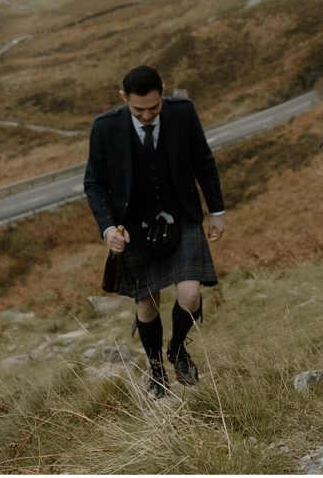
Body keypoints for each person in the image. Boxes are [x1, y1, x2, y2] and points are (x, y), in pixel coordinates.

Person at [83, 65, 226, 397]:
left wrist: (216, 211)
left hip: (182, 216)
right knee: (146, 304)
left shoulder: (183, 113)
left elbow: (203, 161)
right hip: (132, 227)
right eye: (138, 110)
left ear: (162, 91)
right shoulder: (105, 127)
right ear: (124, 99)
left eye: (154, 108)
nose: (147, 116)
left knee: (190, 294)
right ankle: (157, 368)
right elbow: (95, 184)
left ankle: (177, 349)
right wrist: (107, 229)